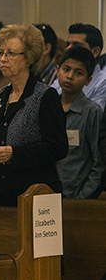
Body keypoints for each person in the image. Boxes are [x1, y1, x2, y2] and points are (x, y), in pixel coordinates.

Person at [0, 24, 68, 206]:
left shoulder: (45, 96)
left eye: (11, 54)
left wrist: (15, 154)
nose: (3, 59)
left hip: (34, 195)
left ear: (29, 58)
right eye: (1, 53)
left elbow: (58, 147)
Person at [55, 46, 104, 198]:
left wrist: (82, 197)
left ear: (88, 80)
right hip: (48, 194)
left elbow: (99, 163)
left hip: (78, 196)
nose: (70, 76)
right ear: (58, 70)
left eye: (78, 73)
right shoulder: (50, 107)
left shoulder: (92, 112)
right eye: (66, 69)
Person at [53, 23, 106, 110]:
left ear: (95, 52)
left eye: (76, 45)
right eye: (68, 45)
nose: (68, 49)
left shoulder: (103, 83)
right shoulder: (63, 75)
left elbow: (92, 118)